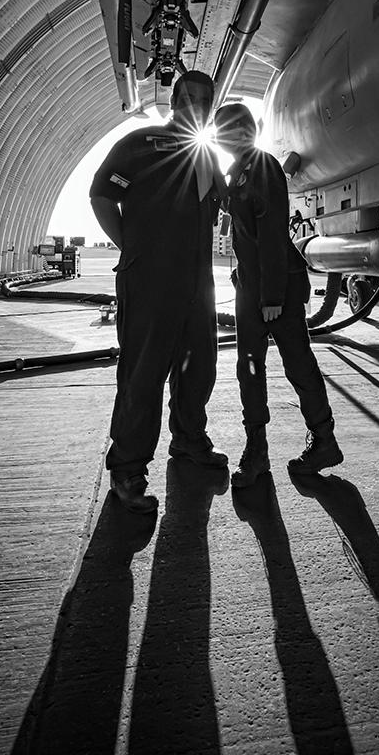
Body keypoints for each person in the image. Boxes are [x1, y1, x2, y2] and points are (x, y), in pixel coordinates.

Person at [90, 70, 228, 514]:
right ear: (173, 101)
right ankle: (128, 468)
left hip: (197, 283)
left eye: (204, 99)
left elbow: (227, 210)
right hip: (149, 279)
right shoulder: (140, 142)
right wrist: (131, 247)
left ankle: (189, 441)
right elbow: (102, 195)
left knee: (199, 368)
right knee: (143, 374)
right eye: (188, 97)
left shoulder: (208, 154)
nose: (195, 105)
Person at [213, 102, 344, 487]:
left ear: (251, 131)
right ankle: (257, 449)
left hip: (276, 287)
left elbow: (271, 232)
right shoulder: (238, 171)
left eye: (238, 128)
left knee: (297, 364)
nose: (231, 136)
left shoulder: (263, 165)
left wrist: (271, 296)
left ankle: (324, 440)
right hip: (250, 286)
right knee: (249, 368)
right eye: (224, 131)